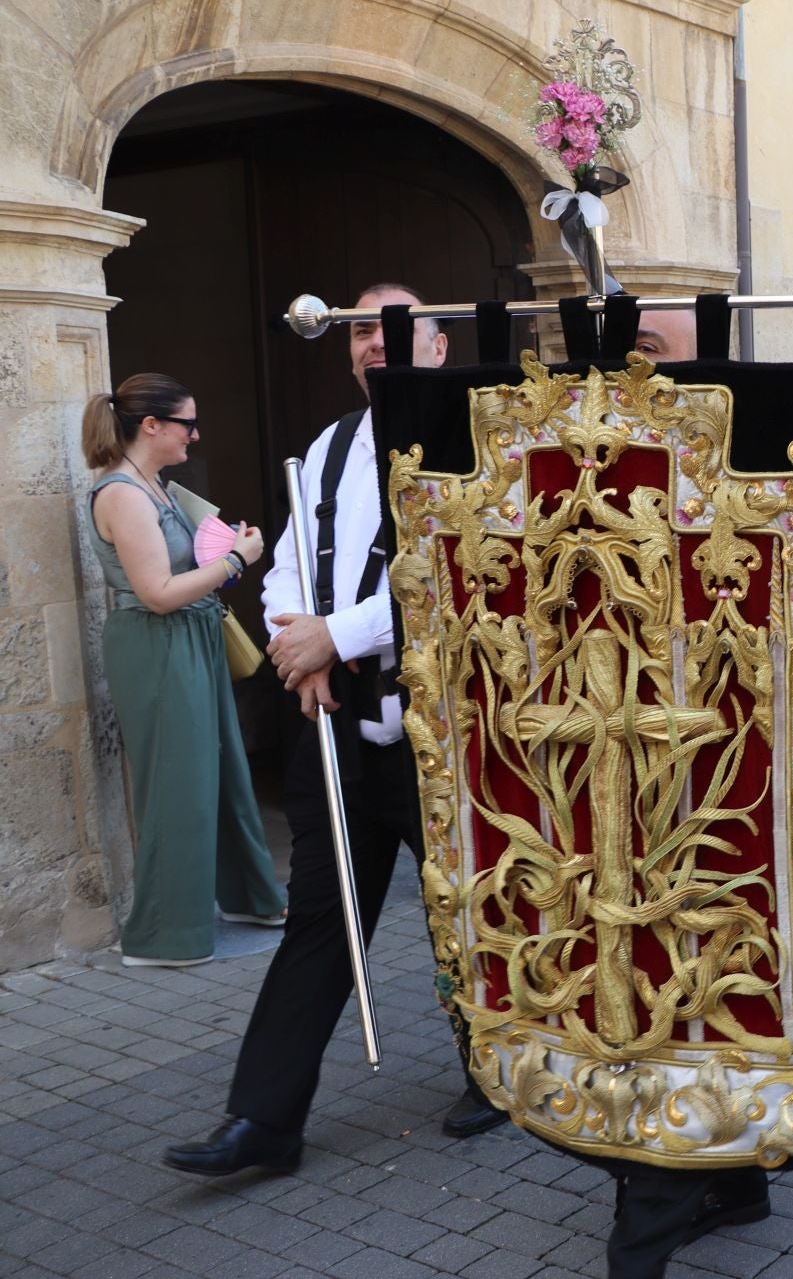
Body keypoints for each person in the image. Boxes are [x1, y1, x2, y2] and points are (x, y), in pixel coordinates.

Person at [163, 284, 505, 1179]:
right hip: (338, 723)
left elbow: (463, 569)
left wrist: (340, 633)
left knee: (464, 913)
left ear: (438, 347)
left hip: (445, 725)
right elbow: (288, 564)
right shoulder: (327, 446)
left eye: (396, 327)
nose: (373, 343)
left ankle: (501, 1075)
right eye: (360, 331)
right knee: (320, 914)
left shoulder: (476, 442)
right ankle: (264, 1122)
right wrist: (298, 645)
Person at [83, 374, 284, 966]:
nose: (194, 435)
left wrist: (223, 548)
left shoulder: (155, 484)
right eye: (186, 424)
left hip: (187, 638)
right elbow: (158, 593)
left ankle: (249, 898)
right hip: (157, 642)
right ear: (152, 426)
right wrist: (235, 561)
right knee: (177, 786)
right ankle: (163, 936)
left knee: (221, 772)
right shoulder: (122, 492)